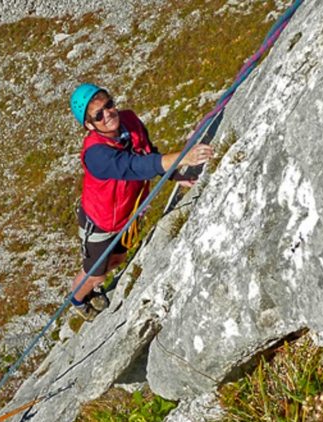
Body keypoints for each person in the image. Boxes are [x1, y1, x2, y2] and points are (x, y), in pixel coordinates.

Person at [67, 83, 214, 321]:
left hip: (125, 216)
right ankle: (78, 300)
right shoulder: (96, 155)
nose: (108, 114)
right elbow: (133, 167)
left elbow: (147, 152)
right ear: (89, 125)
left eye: (109, 104)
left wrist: (173, 173)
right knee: (95, 274)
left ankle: (92, 286)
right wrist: (182, 157)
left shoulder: (129, 121)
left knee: (118, 259)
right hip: (101, 224)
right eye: (98, 114)